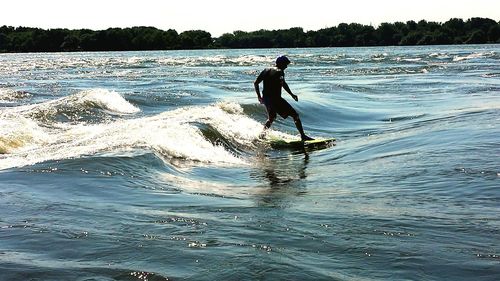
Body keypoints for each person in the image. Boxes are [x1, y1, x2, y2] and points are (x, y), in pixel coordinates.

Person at [254, 55, 313, 141]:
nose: (286, 66)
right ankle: (303, 136)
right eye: (285, 64)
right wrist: (292, 95)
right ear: (281, 64)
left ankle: (262, 135)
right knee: (295, 115)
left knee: (271, 118)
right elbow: (283, 84)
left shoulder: (266, 70)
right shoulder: (280, 72)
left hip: (266, 99)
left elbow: (256, 83)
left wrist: (259, 97)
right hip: (276, 99)